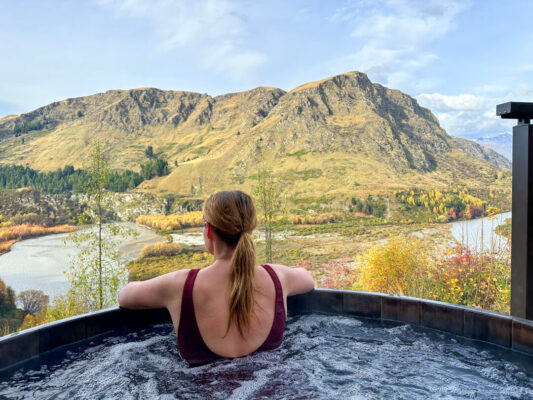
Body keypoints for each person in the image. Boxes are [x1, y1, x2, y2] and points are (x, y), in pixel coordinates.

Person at [118, 190, 314, 365]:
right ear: (250, 228)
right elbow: (307, 279)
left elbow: (125, 296)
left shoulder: (180, 285)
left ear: (209, 230)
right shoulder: (277, 278)